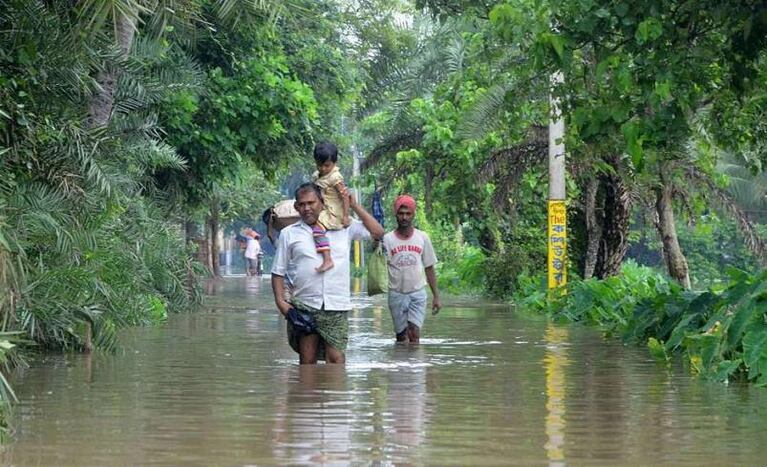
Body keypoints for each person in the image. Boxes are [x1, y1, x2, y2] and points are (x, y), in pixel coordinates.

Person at [271, 182, 384, 364]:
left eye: (311, 203)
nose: (307, 208)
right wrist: (282, 304)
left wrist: (353, 205)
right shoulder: (289, 234)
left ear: (322, 203)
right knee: (307, 362)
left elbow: (378, 233)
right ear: (296, 207)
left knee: (336, 360)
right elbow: (278, 272)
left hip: (337, 305)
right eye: (302, 204)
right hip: (305, 305)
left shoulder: (344, 226)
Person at [382, 194, 441, 343]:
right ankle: (401, 365)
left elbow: (429, 267)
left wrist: (436, 296)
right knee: (401, 337)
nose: (404, 217)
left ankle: (415, 365)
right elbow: (381, 267)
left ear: (413, 215)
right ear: (396, 214)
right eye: (401, 214)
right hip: (396, 293)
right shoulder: (387, 239)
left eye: (408, 214)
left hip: (417, 293)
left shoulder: (422, 237)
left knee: (414, 334)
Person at [311, 142, 351, 273]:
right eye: (319, 165)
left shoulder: (335, 177)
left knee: (317, 230)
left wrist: (345, 216)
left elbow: (345, 197)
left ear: (335, 163)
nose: (322, 168)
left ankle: (327, 259)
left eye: (326, 165)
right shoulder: (317, 175)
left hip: (333, 212)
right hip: (322, 208)